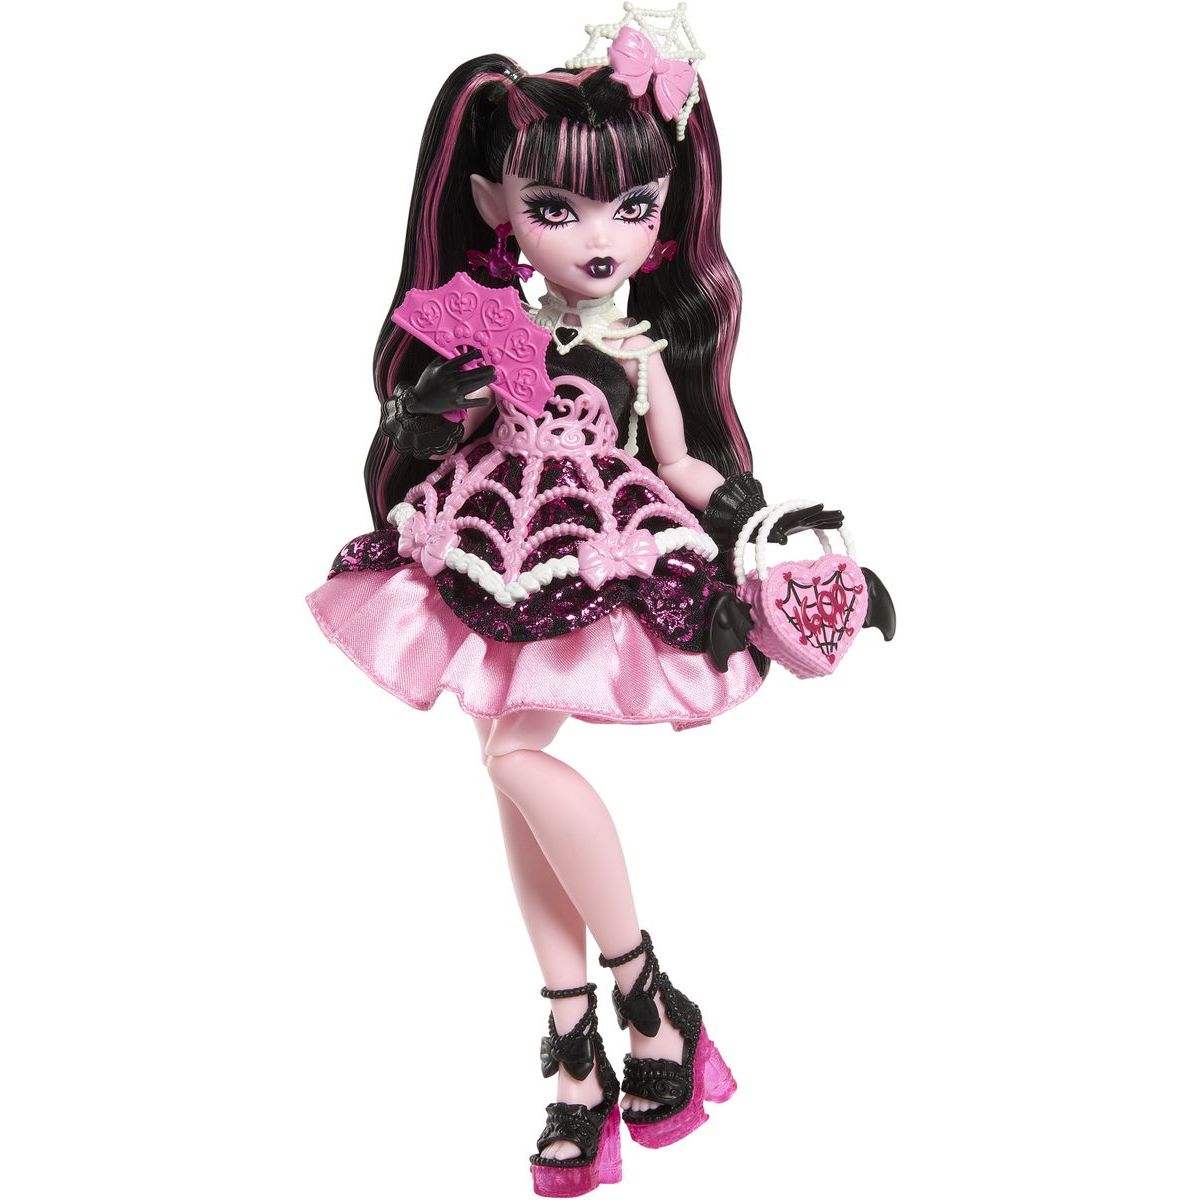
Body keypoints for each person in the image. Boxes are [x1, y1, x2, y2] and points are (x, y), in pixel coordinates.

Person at [307, 33, 889, 1197]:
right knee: (504, 766)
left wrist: (767, 525)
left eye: (632, 205)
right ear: (496, 206)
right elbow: (439, 422)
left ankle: (638, 990)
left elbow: (678, 463)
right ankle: (585, 1040)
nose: (598, 238)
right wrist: (426, 414)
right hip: (493, 537)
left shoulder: (639, 346)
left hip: (604, 546)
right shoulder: (495, 326)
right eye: (554, 209)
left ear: (664, 211)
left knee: (512, 758)